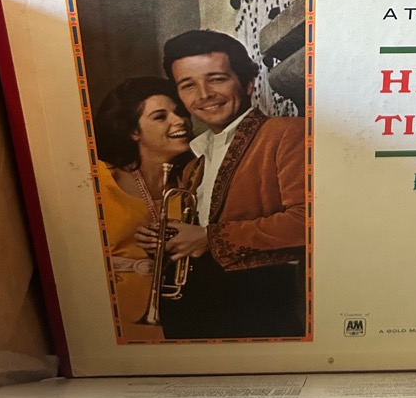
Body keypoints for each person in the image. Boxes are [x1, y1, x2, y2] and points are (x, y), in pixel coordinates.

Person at [136, 29, 306, 340]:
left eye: (216, 79)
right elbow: (198, 234)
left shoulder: (287, 132)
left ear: (248, 82)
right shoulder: (194, 162)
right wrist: (168, 239)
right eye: (188, 85)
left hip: (260, 303)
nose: (203, 94)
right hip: (201, 305)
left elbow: (306, 221)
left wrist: (209, 239)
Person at [93, 77, 193, 342]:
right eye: (160, 117)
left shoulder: (191, 183)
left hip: (176, 318)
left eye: (180, 112)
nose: (180, 121)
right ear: (133, 131)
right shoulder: (100, 179)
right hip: (111, 316)